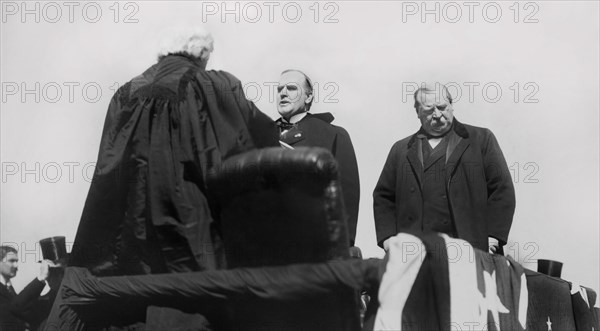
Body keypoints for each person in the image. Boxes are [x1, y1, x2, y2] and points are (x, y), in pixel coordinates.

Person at [69, 26, 278, 276]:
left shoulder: (126, 92)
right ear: (201, 54)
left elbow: (109, 163)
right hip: (190, 217)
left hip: (133, 228)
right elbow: (244, 137)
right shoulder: (211, 84)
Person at [373, 83, 515, 253]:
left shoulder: (481, 139)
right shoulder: (401, 149)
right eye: (428, 110)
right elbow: (384, 196)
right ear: (417, 112)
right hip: (415, 252)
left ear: (451, 106)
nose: (437, 115)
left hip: (470, 247)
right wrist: (387, 238)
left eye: (442, 107)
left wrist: (494, 236)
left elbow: (502, 189)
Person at [276, 69, 361, 246]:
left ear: (308, 97)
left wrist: (343, 243)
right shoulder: (260, 133)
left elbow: (346, 193)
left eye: (291, 88)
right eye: (279, 89)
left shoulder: (332, 134)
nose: (283, 93)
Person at [0, 244, 61, 331]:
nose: (16, 265)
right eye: (12, 261)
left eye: (17, 261)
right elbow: (15, 308)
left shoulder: (9, 289)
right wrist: (41, 277)